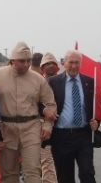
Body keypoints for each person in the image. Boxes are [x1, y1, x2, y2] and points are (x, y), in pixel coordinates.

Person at [0, 42, 57, 183]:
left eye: (28, 61)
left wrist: (47, 127)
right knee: (8, 174)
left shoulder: (38, 80)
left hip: (31, 129)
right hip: (6, 129)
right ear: (12, 61)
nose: (26, 64)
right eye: (22, 61)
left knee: (33, 172)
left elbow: (50, 104)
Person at [48, 50, 99, 183]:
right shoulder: (53, 82)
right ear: (64, 63)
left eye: (77, 63)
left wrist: (96, 121)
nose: (74, 66)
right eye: (71, 62)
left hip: (83, 136)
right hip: (62, 137)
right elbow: (41, 103)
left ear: (81, 64)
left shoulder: (90, 82)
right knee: (65, 177)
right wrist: (46, 111)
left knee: (87, 172)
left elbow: (96, 106)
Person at [38, 52, 59, 183]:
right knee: (46, 161)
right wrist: (45, 111)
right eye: (47, 64)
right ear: (42, 67)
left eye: (53, 64)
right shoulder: (38, 83)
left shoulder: (61, 83)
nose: (51, 66)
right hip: (41, 127)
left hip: (59, 128)